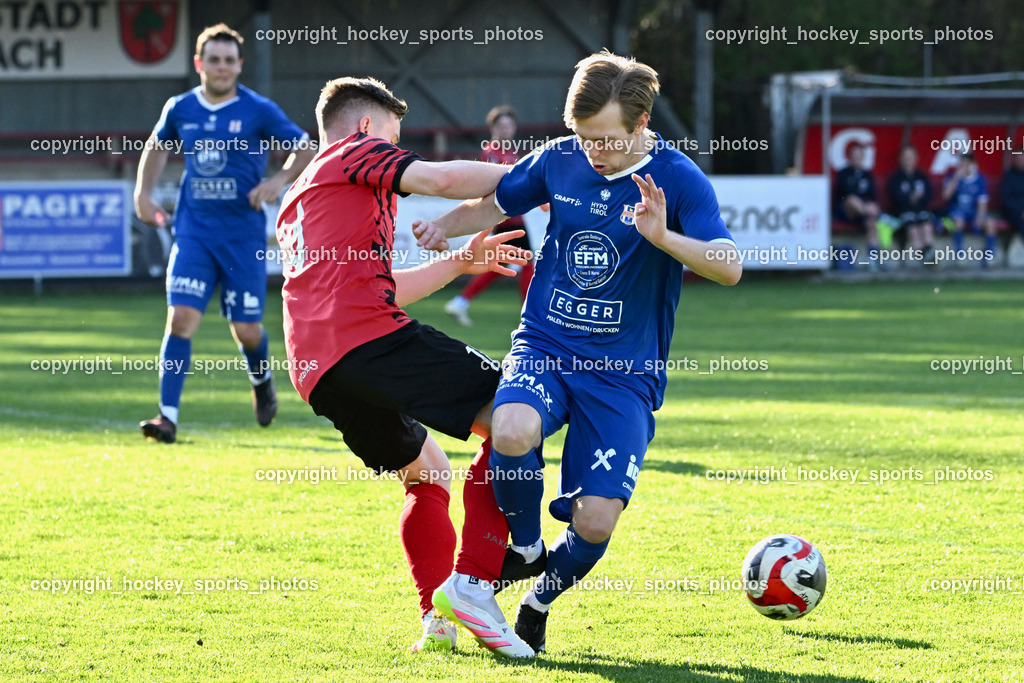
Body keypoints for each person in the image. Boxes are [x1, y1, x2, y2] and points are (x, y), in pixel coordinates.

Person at [416, 51, 741, 654]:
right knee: (510, 428)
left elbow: (729, 266)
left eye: (608, 140)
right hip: (547, 342)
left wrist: (664, 237)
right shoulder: (562, 158)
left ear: (642, 124)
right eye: (583, 137)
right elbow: (496, 202)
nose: (594, 153)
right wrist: (445, 225)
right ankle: (526, 547)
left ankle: (538, 598)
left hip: (624, 374)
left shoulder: (679, 179)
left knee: (595, 522)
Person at [276, 76, 538, 658]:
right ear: (368, 129)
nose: (397, 154)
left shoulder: (301, 193)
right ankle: (473, 584)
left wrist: (459, 262)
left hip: (319, 369)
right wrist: (547, 177)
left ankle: (436, 619)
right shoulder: (353, 152)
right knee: (515, 412)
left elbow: (380, 285)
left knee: (427, 473)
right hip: (367, 340)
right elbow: (442, 180)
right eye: (394, 139)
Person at [134, 24, 316, 443]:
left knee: (247, 329)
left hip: (242, 238)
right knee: (180, 319)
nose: (221, 67)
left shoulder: (258, 109)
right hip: (194, 233)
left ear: (239, 64)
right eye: (213, 60)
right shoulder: (180, 108)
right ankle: (167, 417)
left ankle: (262, 381)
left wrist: (279, 180)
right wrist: (143, 193)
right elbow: (157, 147)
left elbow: (305, 148)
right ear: (199, 64)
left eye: (229, 60)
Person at [444, 106, 534, 326]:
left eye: (509, 125)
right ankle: (529, 314)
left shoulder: (511, 152)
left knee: (504, 263)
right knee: (526, 263)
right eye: (502, 125)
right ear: (493, 128)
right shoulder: (492, 151)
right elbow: (499, 182)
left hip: (512, 215)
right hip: (507, 216)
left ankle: (461, 301)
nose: (507, 129)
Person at [942, 152, 997, 267]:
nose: (964, 166)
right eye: (961, 163)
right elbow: (946, 196)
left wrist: (980, 216)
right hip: (957, 211)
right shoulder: (952, 177)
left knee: (990, 223)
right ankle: (960, 255)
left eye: (967, 163)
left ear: (972, 164)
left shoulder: (980, 179)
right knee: (958, 221)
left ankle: (989, 256)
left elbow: (983, 202)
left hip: (973, 212)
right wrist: (956, 178)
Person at [834, 142, 881, 268]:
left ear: (863, 157)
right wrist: (868, 207)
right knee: (852, 199)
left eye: (859, 156)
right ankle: (881, 217)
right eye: (854, 156)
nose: (856, 158)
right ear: (849, 157)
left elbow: (873, 197)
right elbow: (845, 195)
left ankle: (872, 257)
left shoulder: (867, 175)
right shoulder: (843, 174)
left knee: (871, 222)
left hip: (862, 214)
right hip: (845, 211)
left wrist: (870, 206)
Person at [887, 145, 936, 264]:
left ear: (916, 159)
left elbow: (928, 195)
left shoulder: (921, 176)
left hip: (920, 210)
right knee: (913, 229)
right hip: (903, 212)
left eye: (910, 157)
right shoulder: (896, 178)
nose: (908, 160)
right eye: (905, 157)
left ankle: (929, 253)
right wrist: (910, 197)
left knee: (927, 226)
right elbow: (895, 197)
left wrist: (919, 198)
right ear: (900, 159)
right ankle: (924, 257)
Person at [999, 149, 1024, 241]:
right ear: (1015, 159)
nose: (1021, 161)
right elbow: (1005, 199)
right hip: (1013, 212)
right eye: (1019, 158)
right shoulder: (1009, 176)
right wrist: (1021, 210)